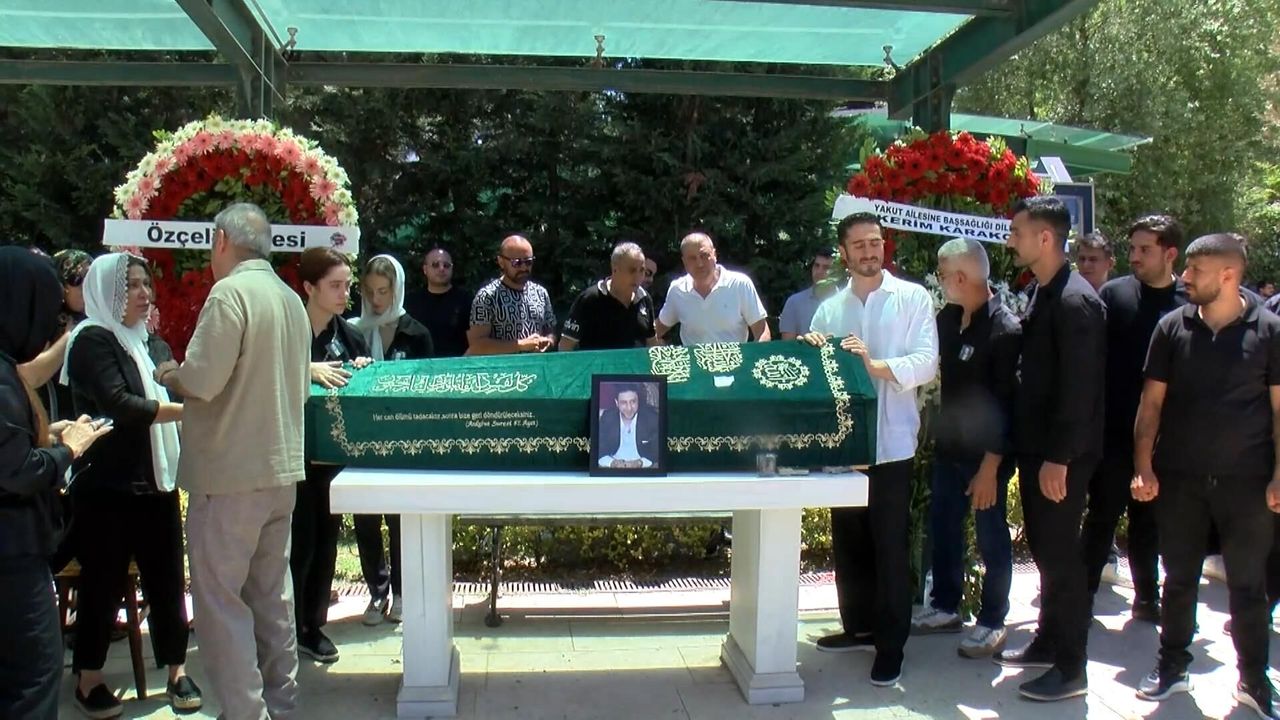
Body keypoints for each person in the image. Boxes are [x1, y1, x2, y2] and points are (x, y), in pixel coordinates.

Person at [152, 203, 311, 720]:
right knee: (271, 597)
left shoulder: (230, 294)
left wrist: (169, 373)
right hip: (279, 469)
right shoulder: (290, 299)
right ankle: (281, 705)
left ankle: (245, 712)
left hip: (229, 474)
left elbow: (202, 380)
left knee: (221, 602)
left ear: (221, 240)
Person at [1130, 233, 1280, 717]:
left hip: (1248, 483)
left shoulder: (1269, 330)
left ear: (1229, 275)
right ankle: (1172, 666)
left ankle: (1253, 680)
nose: (1186, 278)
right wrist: (1143, 466)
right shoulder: (1172, 327)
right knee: (1178, 579)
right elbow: (1151, 404)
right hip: (1180, 478)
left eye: (1197, 270)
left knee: (1248, 586)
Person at [801, 212, 938, 687]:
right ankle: (858, 627)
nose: (869, 252)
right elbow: (816, 375)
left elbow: (926, 362)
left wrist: (873, 364)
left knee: (889, 545)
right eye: (858, 245)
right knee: (850, 541)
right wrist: (813, 350)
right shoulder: (829, 309)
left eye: (875, 243)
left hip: (891, 443)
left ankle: (891, 645)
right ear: (843, 253)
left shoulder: (912, 298)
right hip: (845, 446)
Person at [61, 253, 200, 716]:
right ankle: (89, 678)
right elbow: (121, 404)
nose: (144, 294)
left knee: (167, 579)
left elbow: (173, 384)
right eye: (131, 286)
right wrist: (190, 411)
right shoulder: (90, 340)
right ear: (107, 292)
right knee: (102, 583)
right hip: (108, 487)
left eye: (146, 284)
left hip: (155, 481)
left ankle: (177, 670)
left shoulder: (150, 343)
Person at [994, 196, 1105, 702]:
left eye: (1017, 232)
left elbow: (1081, 390)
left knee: (1062, 560)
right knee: (1044, 553)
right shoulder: (1044, 290)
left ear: (1045, 237)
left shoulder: (1076, 301)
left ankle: (1072, 666)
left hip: (1062, 456)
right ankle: (1048, 641)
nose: (1010, 240)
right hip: (1039, 449)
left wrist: (1059, 458)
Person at [0, 247, 109, 720]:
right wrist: (69, 449)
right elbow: (18, 472)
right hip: (13, 555)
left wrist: (47, 436)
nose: (51, 323)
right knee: (34, 677)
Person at [911, 238, 1019, 659]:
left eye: (942, 275)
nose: (940, 283)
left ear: (959, 277)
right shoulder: (948, 319)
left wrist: (991, 467)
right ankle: (945, 606)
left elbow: (1008, 404)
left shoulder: (1005, 330)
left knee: (992, 539)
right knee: (944, 528)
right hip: (950, 449)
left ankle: (992, 621)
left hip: (986, 457)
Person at [1079, 215, 1187, 623]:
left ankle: (1147, 598)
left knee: (1150, 521)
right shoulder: (1114, 294)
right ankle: (1081, 598)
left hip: (1166, 436)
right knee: (1102, 515)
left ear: (1170, 253)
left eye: (1145, 249)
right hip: (1113, 431)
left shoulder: (1188, 303)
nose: (1135, 257)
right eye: (1132, 249)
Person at [293, 247, 373, 662]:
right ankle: (282, 628)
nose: (344, 294)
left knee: (324, 543)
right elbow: (260, 370)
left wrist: (365, 371)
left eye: (347, 285)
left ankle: (311, 626)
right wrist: (306, 368)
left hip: (330, 458)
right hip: (288, 454)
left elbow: (362, 391)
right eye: (334, 286)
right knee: (293, 544)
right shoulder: (286, 330)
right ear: (309, 287)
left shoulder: (351, 335)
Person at [351, 254, 431, 627]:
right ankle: (376, 591)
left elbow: (428, 388)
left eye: (383, 291)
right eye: (370, 291)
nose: (376, 299)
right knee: (365, 519)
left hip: (403, 440)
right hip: (362, 440)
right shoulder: (351, 332)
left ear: (397, 289)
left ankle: (402, 592)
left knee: (400, 520)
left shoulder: (416, 333)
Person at [655, 233, 770, 345]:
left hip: (734, 357)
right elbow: (656, 331)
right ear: (684, 262)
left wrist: (754, 355)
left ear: (714, 255)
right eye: (692, 258)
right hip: (694, 358)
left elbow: (762, 331)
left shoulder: (740, 284)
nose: (700, 264)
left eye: (704, 255)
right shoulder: (677, 290)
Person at [467, 235, 556, 355]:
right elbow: (477, 346)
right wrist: (520, 345)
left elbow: (550, 330)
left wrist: (548, 341)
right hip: (503, 366)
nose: (524, 267)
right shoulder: (487, 297)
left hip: (536, 365)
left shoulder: (540, 293)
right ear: (501, 262)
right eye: (517, 263)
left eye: (528, 262)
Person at [560, 242, 659, 351]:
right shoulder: (590, 299)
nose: (638, 277)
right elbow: (565, 346)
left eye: (642, 270)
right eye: (632, 270)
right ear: (615, 269)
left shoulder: (645, 299)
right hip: (598, 362)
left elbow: (652, 344)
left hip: (636, 363)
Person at [404, 247, 471, 357]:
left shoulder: (466, 301)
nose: (441, 269)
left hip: (455, 366)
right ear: (425, 269)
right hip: (419, 366)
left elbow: (474, 343)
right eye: (435, 265)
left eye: (446, 265)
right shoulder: (411, 301)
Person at [779, 249, 838, 340]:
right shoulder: (794, 303)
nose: (819, 271)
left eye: (826, 268)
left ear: (837, 272)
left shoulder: (848, 302)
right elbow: (787, 345)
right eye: (816, 265)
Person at [596, 384, 660, 468]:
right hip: (613, 468)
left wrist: (639, 463)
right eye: (624, 403)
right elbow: (599, 450)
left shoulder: (652, 418)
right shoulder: (607, 418)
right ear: (616, 403)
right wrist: (612, 463)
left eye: (633, 402)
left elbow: (656, 452)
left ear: (638, 401)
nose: (629, 408)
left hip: (643, 469)